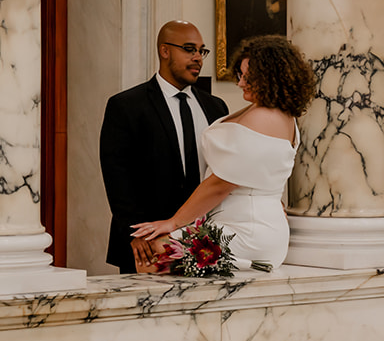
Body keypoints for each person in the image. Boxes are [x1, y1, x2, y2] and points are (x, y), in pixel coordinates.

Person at [131, 35, 316, 272]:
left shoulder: (264, 117)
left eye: (249, 77)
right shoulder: (277, 114)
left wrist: (174, 222)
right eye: (240, 75)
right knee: (152, 258)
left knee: (156, 253)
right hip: (251, 224)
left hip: (248, 230)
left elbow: (220, 183)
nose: (240, 83)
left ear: (270, 77)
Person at [99, 21, 230, 273]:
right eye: (189, 49)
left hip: (207, 242)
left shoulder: (216, 107)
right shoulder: (126, 106)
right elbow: (117, 177)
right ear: (164, 51)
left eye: (201, 51)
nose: (197, 58)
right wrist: (136, 233)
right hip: (147, 244)